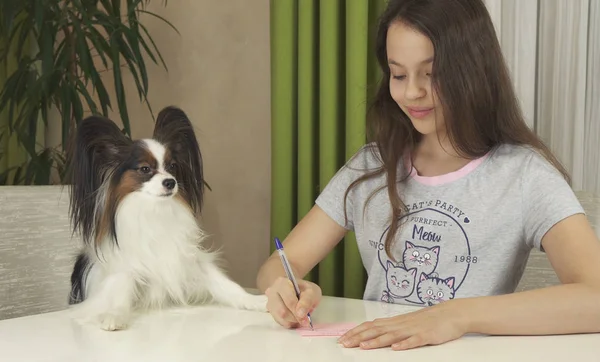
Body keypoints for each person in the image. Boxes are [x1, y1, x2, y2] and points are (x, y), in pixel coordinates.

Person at [256, 0, 600, 351]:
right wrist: (285, 288)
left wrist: (456, 315)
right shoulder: (371, 166)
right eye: (399, 74)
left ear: (473, 70)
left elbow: (595, 298)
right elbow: (283, 262)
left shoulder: (525, 176)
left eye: (431, 74)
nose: (411, 92)